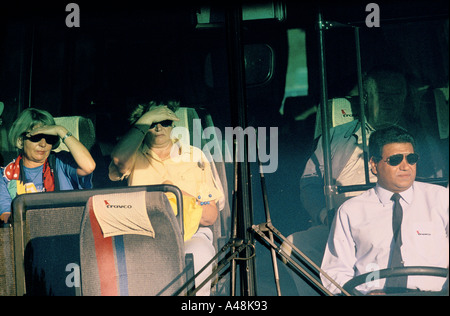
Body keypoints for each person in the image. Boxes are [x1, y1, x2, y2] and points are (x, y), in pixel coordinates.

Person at [108, 100, 224, 296]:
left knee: (201, 253)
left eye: (165, 121)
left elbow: (210, 216)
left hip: (189, 235)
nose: (159, 127)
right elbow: (118, 161)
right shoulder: (132, 156)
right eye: (152, 123)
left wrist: (181, 197)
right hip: (142, 236)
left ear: (174, 125)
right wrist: (145, 120)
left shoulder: (194, 155)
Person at [321, 126, 449, 295]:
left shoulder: (441, 198)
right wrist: (365, 294)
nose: (405, 167)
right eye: (395, 160)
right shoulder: (350, 211)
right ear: (374, 164)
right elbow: (334, 273)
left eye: (411, 158)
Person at [0, 108, 96, 223]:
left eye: (49, 138)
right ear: (20, 140)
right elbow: (6, 216)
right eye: (36, 137)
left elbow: (89, 166)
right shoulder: (5, 176)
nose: (43, 144)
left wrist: (61, 130)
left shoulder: (61, 162)